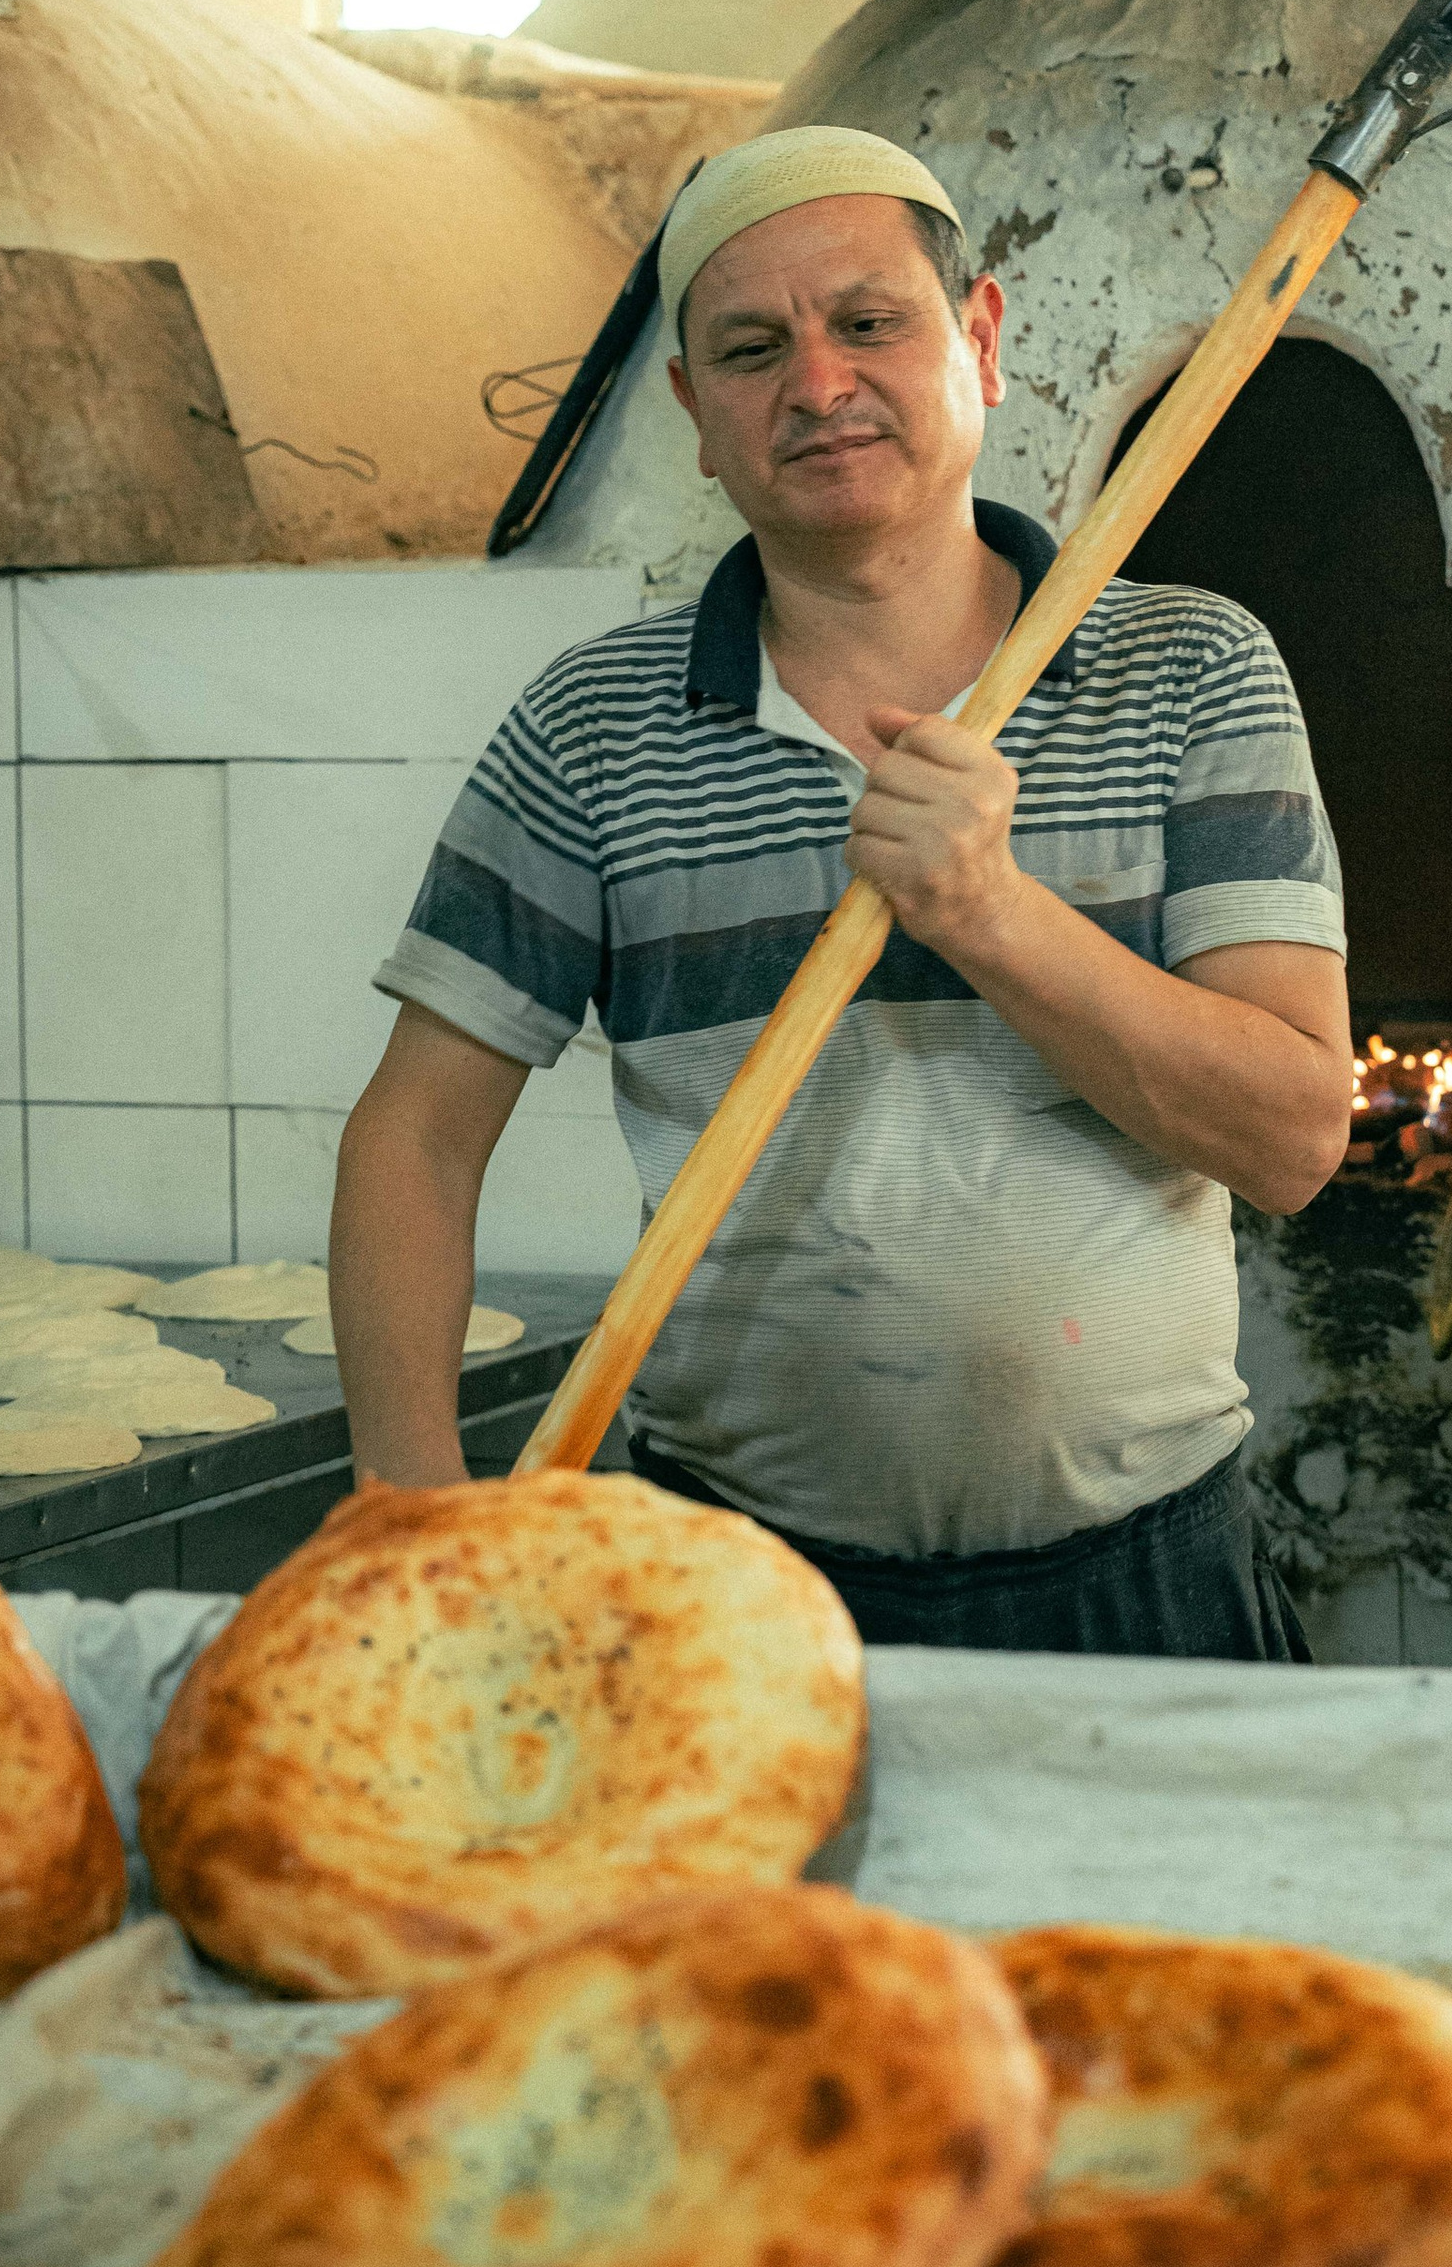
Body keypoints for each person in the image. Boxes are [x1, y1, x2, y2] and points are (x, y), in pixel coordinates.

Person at [329, 124, 1354, 1658]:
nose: (817, 386)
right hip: (728, 1600)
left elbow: (1289, 1138)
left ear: (980, 340)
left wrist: (988, 911)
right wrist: (403, 1505)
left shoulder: (1190, 672)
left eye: (868, 323)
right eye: (752, 349)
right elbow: (415, 1131)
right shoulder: (593, 732)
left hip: (1145, 1585)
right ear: (692, 410)